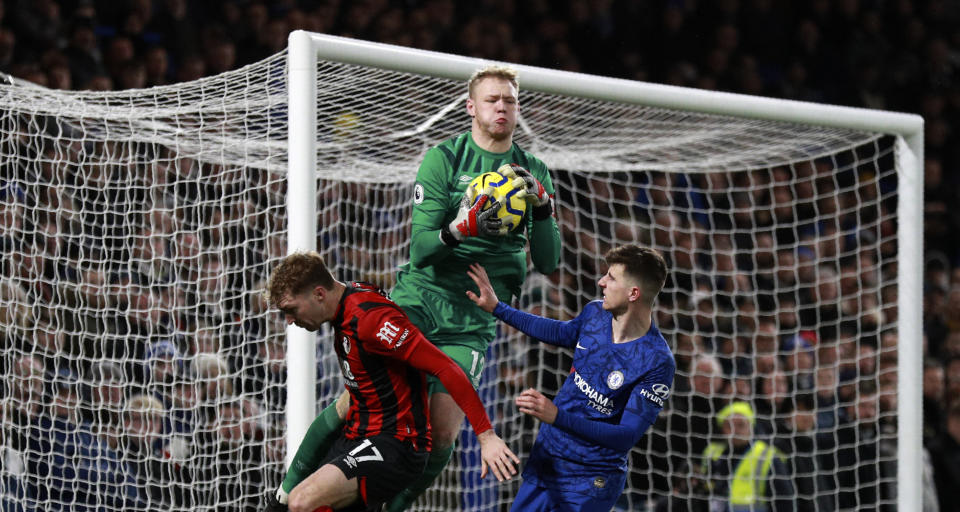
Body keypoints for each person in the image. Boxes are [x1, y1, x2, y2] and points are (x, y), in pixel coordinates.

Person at [270, 64, 561, 511]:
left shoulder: (533, 168)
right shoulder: (445, 160)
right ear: (471, 107)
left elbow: (550, 262)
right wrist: (460, 228)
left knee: (442, 432)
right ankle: (285, 492)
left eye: (509, 100)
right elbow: (422, 250)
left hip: (472, 320)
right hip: (420, 300)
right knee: (355, 403)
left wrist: (542, 209)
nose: (501, 107)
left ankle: (392, 507)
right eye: (491, 99)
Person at [263, 251, 518, 512]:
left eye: (291, 310)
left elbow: (447, 369)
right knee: (298, 499)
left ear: (319, 294)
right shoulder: (348, 304)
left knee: (303, 501)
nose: (289, 321)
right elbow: (329, 421)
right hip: (358, 437)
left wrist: (486, 436)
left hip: (395, 444)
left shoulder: (372, 321)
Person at [466, 244, 675, 511]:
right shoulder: (595, 313)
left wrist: (556, 416)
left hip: (590, 481)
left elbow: (626, 436)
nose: (601, 282)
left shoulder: (656, 360)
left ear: (633, 293)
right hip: (549, 458)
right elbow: (560, 332)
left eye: (611, 278)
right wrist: (498, 308)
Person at [700, 401, 795, 512]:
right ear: (722, 429)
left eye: (740, 425)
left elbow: (785, 502)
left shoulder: (766, 456)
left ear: (751, 426)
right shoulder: (712, 453)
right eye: (729, 426)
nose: (734, 431)